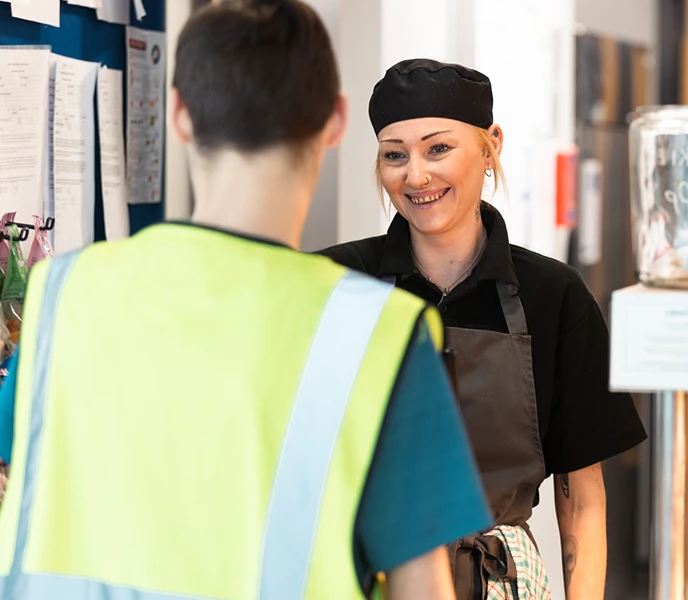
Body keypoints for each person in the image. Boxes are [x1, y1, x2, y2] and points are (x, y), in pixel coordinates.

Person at [0, 3, 491, 599]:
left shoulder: (61, 296)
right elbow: (424, 589)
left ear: (177, 114)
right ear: (336, 122)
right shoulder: (377, 333)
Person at [319, 58, 649, 600]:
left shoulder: (553, 297)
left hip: (499, 583)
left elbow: (582, 497)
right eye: (394, 155)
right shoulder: (341, 284)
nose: (416, 175)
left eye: (438, 148)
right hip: (366, 580)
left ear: (490, 143)